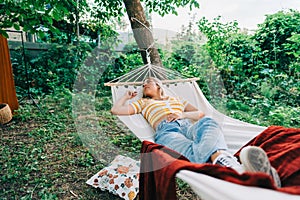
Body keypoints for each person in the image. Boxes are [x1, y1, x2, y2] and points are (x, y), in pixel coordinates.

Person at [111, 77, 281, 187]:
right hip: (167, 131)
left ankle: (227, 166)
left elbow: (199, 114)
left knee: (209, 121)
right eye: (143, 85)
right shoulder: (143, 103)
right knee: (190, 149)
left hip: (187, 125)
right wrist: (126, 96)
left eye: (148, 82)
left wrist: (181, 113)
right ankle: (230, 164)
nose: (144, 85)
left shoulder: (176, 100)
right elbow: (116, 110)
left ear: (158, 86)